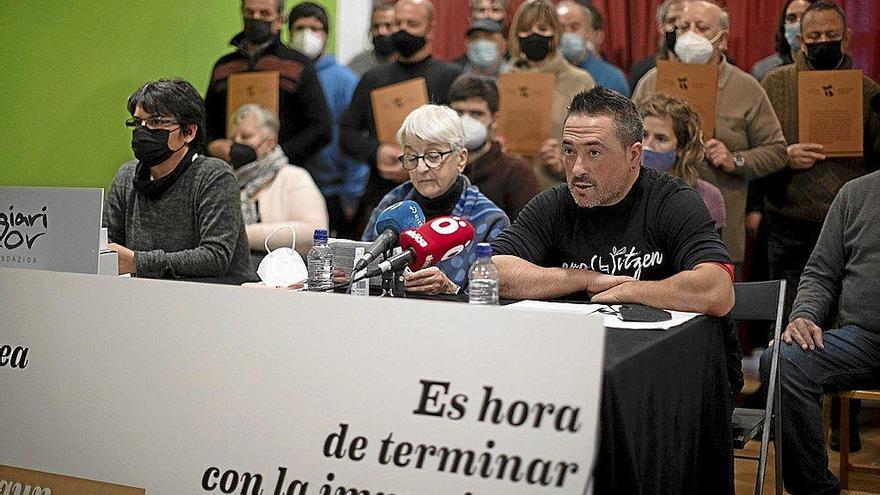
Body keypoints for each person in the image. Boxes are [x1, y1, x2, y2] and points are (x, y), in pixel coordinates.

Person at [492, 87, 734, 316]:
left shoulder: (673, 201)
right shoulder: (553, 205)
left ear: (633, 155)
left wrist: (627, 291)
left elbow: (717, 290)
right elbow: (490, 272)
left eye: (593, 153)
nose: (577, 168)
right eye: (569, 151)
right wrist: (586, 279)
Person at [633, 0, 788, 267]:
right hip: (649, 231)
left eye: (702, 28)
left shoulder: (746, 87)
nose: (690, 34)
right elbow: (627, 141)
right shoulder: (651, 81)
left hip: (718, 231)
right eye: (683, 27)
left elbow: (777, 151)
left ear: (723, 40)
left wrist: (736, 160)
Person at [759, 169, 880, 495]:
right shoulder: (855, 193)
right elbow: (821, 272)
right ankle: (815, 490)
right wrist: (804, 316)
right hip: (865, 339)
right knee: (783, 359)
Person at [760, 0, 880, 319]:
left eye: (831, 34)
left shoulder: (868, 91)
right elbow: (757, 147)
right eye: (814, 37)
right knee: (787, 312)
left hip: (847, 222)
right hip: (787, 217)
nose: (822, 42)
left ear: (847, 37)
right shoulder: (774, 83)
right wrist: (784, 157)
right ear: (800, 40)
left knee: (838, 310)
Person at [104, 79, 252, 282]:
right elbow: (106, 245)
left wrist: (137, 262)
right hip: (143, 298)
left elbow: (215, 257)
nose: (143, 131)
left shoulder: (214, 176)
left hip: (216, 300)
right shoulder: (126, 177)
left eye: (155, 122)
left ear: (188, 132)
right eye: (138, 123)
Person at [341, 0, 462, 239]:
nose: (402, 30)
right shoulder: (373, 78)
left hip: (439, 198)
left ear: (430, 28)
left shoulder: (452, 77)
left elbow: (461, 137)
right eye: (397, 23)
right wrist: (377, 151)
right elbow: (347, 134)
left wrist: (423, 160)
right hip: (381, 192)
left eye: (412, 24)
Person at [362, 104, 510, 294]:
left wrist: (451, 289)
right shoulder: (391, 204)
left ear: (461, 159)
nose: (421, 168)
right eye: (412, 157)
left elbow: (495, 300)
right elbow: (364, 266)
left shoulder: (489, 221)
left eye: (433, 156)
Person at [204, 0, 331, 168]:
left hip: (283, 173)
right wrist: (211, 145)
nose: (256, 18)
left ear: (280, 20)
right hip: (229, 171)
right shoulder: (224, 67)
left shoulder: (298, 65)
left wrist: (277, 155)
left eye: (264, 14)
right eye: (250, 13)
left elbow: (321, 129)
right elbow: (204, 123)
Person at [289, 2, 368, 237]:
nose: (307, 35)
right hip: (292, 186)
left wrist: (350, 196)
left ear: (326, 35)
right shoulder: (285, 76)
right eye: (300, 28)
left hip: (333, 190)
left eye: (315, 29)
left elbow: (357, 138)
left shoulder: (345, 81)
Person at [505, 0, 595, 190]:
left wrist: (564, 161)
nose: (534, 35)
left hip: (558, 189)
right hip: (511, 189)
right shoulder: (504, 80)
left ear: (556, 33)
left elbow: (595, 143)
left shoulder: (579, 81)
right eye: (526, 29)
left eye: (543, 28)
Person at [228, 104, 328, 261]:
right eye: (233, 138)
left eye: (246, 136)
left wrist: (240, 235)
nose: (237, 143)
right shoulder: (227, 181)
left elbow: (314, 232)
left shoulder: (294, 177)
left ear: (270, 142)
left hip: (284, 276)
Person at [447, 74, 540, 221]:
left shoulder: (516, 174)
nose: (465, 121)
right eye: (458, 113)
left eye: (476, 114)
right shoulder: (440, 168)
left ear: (494, 119)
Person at [638, 93, 726, 231]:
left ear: (681, 147)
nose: (647, 146)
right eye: (644, 135)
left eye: (661, 139)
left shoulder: (707, 198)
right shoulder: (620, 191)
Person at [557, 1, 630, 96]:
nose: (566, 34)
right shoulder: (543, 72)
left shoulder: (611, 78)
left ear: (591, 33)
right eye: (561, 28)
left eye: (574, 27)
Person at [628, 0, 689, 91]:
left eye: (684, 22)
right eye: (672, 21)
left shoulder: (706, 69)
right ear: (661, 27)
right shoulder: (643, 71)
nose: (678, 26)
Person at [751, 0, 815, 82]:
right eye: (791, 18)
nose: (798, 23)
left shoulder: (830, 67)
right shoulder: (764, 71)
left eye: (805, 17)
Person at [348, 2, 398, 77]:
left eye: (388, 26)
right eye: (376, 26)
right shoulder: (357, 65)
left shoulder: (410, 64)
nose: (381, 31)